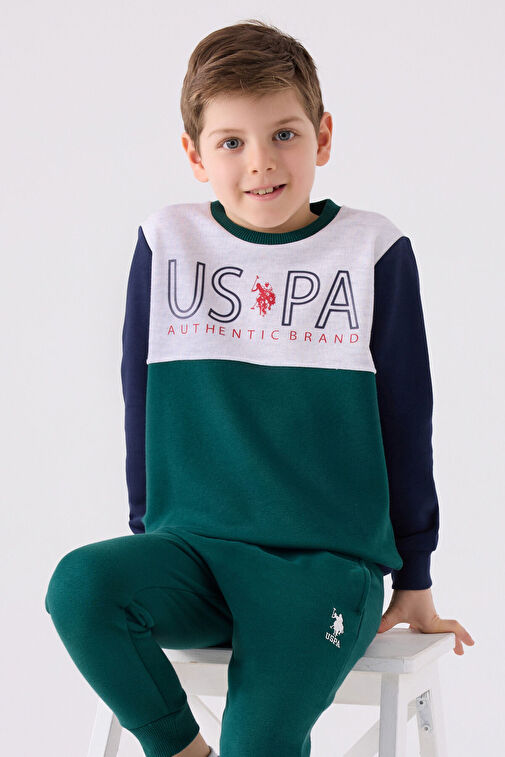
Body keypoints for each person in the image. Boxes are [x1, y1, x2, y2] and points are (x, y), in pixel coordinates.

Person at [44, 18, 475, 757]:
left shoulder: (371, 250)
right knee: (81, 586)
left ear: (323, 136)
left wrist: (415, 575)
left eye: (283, 134)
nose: (260, 163)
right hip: (193, 554)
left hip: (322, 569)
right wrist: (150, 535)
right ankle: (184, 751)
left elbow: (407, 420)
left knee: (262, 742)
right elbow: (137, 398)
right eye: (231, 142)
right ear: (194, 154)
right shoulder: (166, 242)